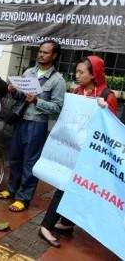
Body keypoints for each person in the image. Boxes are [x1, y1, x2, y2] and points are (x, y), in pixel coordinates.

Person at [38, 56, 118, 248]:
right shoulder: (77, 91)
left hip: (91, 154)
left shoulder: (108, 96)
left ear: (94, 74)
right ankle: (46, 226)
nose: (77, 75)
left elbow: (111, 129)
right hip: (73, 150)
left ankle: (65, 222)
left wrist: (105, 110)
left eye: (82, 72)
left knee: (79, 188)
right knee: (64, 185)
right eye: (77, 71)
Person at [0, 40, 67, 212]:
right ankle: (12, 189)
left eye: (45, 52)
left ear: (54, 56)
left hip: (37, 123)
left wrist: (37, 101)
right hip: (21, 120)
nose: (41, 55)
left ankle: (23, 197)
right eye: (40, 51)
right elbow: (21, 94)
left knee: (30, 161)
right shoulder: (29, 72)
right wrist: (14, 91)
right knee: (15, 157)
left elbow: (58, 108)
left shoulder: (58, 80)